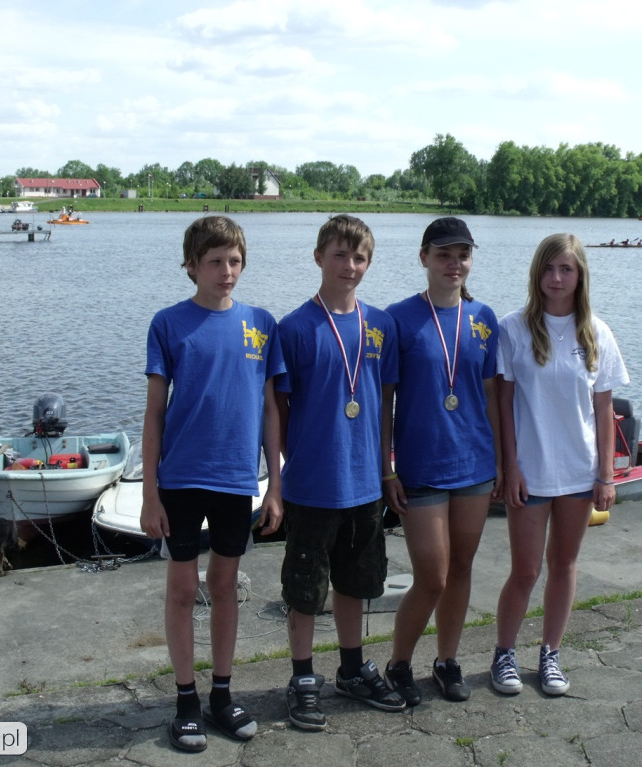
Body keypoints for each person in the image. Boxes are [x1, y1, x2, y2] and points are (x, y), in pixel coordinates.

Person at [139, 215, 285, 752]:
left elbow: (271, 409)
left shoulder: (261, 324)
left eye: (235, 261)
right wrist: (150, 492)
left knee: (224, 587)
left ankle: (221, 694)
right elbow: (155, 414)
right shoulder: (168, 324)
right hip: (179, 480)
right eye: (215, 262)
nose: (227, 272)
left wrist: (275, 484)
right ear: (192, 266)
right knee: (183, 590)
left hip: (234, 480)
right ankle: (185, 699)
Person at [275, 214, 404, 730]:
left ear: (368, 264)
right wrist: (290, 468)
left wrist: (387, 471)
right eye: (339, 255)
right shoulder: (295, 328)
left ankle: (351, 667)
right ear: (318, 258)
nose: (349, 266)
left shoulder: (381, 326)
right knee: (305, 587)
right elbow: (279, 412)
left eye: (359, 258)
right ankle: (303, 676)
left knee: (356, 581)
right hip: (312, 483)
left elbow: (384, 403)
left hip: (366, 482)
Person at [491, 232, 628, 697]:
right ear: (537, 273)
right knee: (526, 570)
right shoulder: (513, 328)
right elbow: (504, 407)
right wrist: (509, 468)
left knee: (564, 564)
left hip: (578, 473)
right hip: (530, 471)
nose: (556, 278)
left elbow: (605, 410)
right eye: (549, 268)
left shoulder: (597, 333)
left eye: (566, 269)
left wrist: (605, 476)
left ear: (580, 275)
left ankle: (550, 654)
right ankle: (504, 653)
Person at [381, 217, 502, 704]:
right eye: (444, 255)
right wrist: (387, 467)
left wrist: (503, 463)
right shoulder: (398, 319)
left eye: (463, 255)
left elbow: (493, 397)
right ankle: (398, 663)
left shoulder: (483, 319)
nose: (455, 264)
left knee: (462, 569)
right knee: (431, 575)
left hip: (474, 464)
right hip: (422, 467)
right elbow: (385, 400)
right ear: (424, 257)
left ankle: (447, 660)